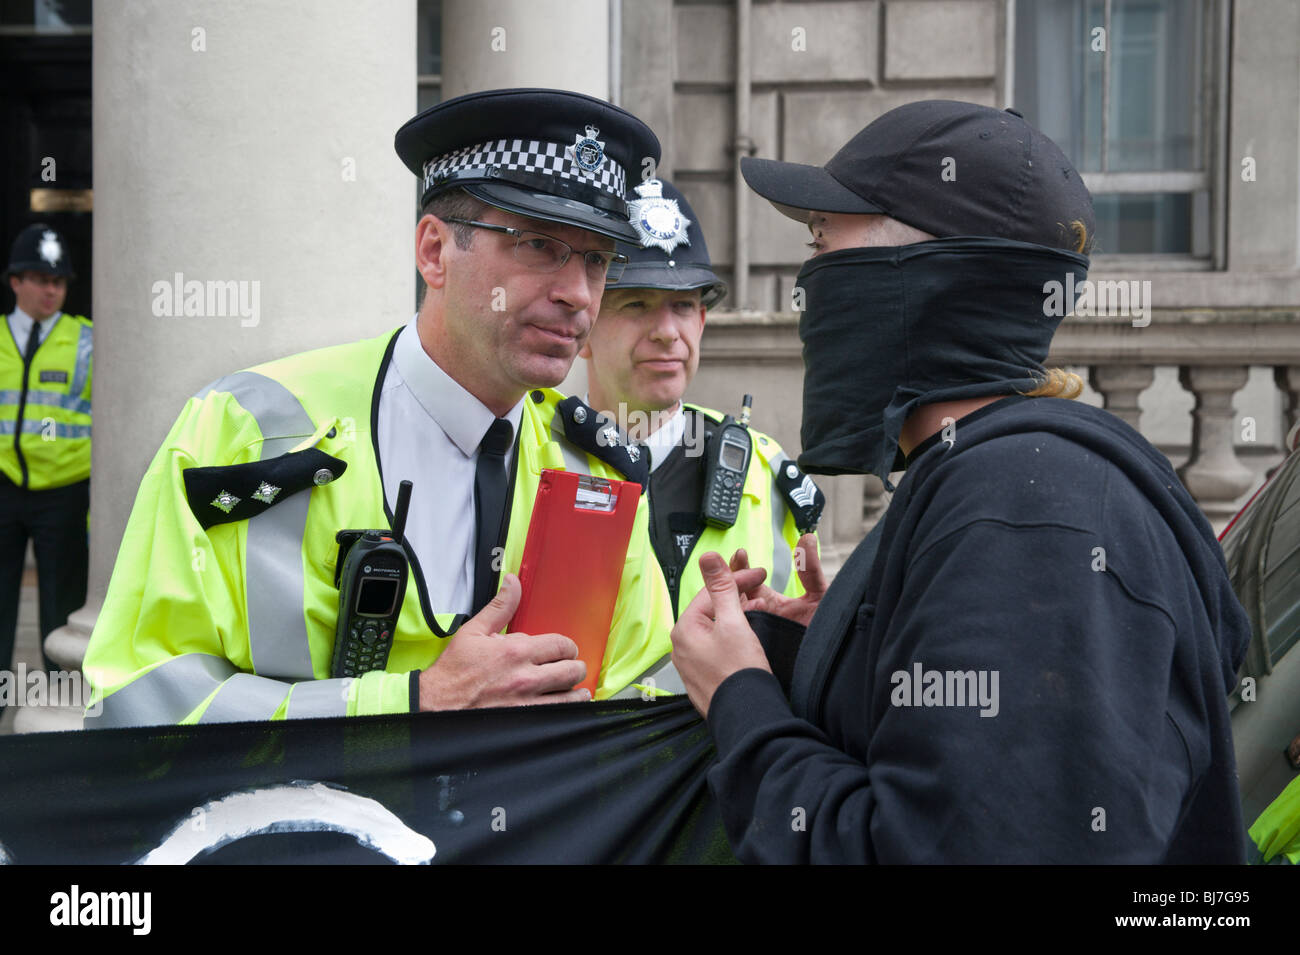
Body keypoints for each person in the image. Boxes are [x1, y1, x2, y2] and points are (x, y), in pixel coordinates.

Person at [668, 100, 1252, 863]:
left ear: (917, 276)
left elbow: (930, 851)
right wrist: (848, 652)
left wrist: (740, 699)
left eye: (822, 243)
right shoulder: (998, 475)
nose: (807, 282)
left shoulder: (1029, 513)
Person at [84, 88, 675, 727]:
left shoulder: (603, 475)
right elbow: (135, 703)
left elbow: (643, 709)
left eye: (596, 260)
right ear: (433, 252)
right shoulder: (246, 432)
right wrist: (415, 703)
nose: (576, 294)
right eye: (538, 246)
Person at [581, 177, 824, 621]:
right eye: (636, 304)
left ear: (703, 321)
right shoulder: (533, 460)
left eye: (683, 306)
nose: (667, 331)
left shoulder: (765, 471)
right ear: (583, 327)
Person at [1, 224, 91, 692]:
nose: (52, 289)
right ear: (15, 281)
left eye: (59, 281)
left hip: (65, 493)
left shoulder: (88, 342)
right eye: (40, 278)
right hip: (3, 486)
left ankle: (58, 709)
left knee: (63, 607)